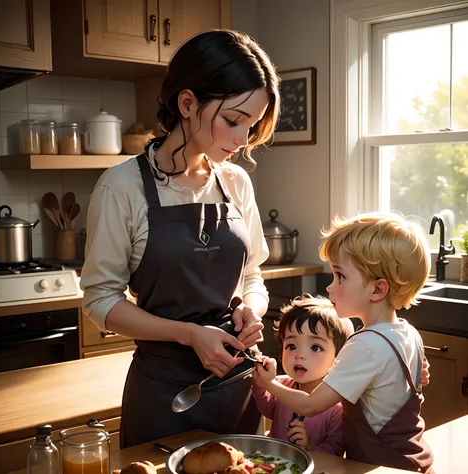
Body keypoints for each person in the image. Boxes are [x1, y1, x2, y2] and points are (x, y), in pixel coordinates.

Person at [80, 29, 281, 448]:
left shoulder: (236, 182)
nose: (243, 140)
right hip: (163, 392)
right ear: (187, 103)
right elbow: (101, 301)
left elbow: (253, 275)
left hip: (236, 385)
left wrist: (251, 307)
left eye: (252, 125)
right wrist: (189, 334)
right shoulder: (121, 188)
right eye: (233, 120)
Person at [253, 212, 434, 472]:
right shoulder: (408, 332)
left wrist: (269, 383)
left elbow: (311, 405)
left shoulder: (365, 345)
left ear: (377, 289)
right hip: (415, 459)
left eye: (340, 276)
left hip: (381, 466)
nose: (330, 287)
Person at [252, 294, 354, 456]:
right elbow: (267, 408)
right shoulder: (282, 384)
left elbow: (335, 452)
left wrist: (308, 446)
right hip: (274, 462)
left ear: (338, 359)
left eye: (315, 348)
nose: (299, 355)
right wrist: (260, 383)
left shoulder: (337, 408)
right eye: (291, 346)